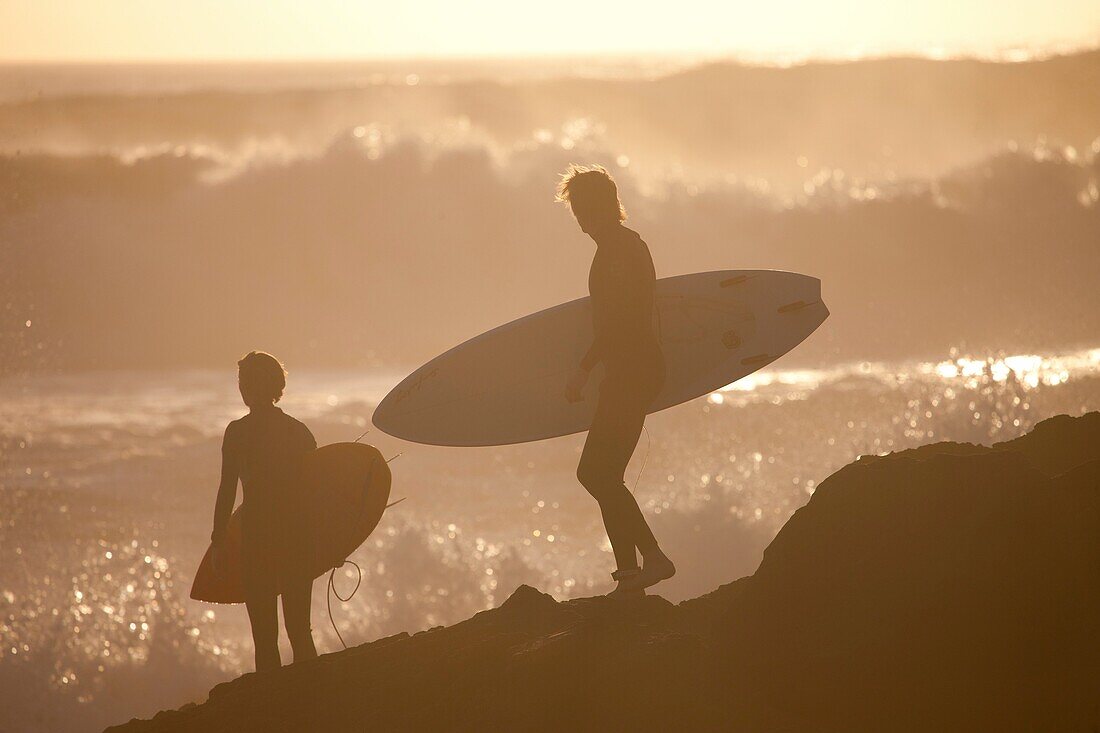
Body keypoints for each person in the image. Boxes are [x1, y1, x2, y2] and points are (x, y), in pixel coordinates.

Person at [557, 164, 676, 597]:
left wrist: (583, 368)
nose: (579, 220)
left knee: (595, 472)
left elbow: (621, 322)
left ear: (599, 208)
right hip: (630, 370)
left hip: (633, 370)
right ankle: (630, 576)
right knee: (605, 474)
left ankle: (654, 559)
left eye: (581, 209)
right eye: (575, 210)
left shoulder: (620, 250)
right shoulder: (617, 248)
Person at [210, 351, 318, 671]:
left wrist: (219, 541)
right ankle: (312, 702)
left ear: (249, 388)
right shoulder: (298, 432)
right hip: (296, 537)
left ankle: (272, 709)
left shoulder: (238, 432)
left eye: (244, 382)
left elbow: (227, 489)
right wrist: (330, 540)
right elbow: (315, 495)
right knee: (300, 631)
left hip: (256, 540)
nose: (242, 389)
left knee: (265, 638)